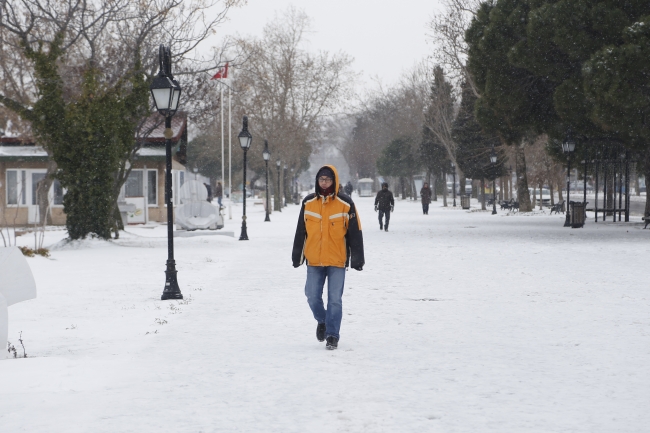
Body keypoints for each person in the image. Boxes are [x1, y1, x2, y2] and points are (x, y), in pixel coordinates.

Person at [292, 165, 364, 350]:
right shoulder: (308, 203)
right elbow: (301, 231)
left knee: (334, 299)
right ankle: (322, 320)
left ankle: (332, 335)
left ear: (334, 181)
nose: (324, 182)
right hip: (314, 260)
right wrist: (297, 256)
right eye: (321, 179)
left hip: (337, 260)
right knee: (311, 296)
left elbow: (355, 233)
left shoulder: (345, 204)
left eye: (328, 179)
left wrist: (357, 258)